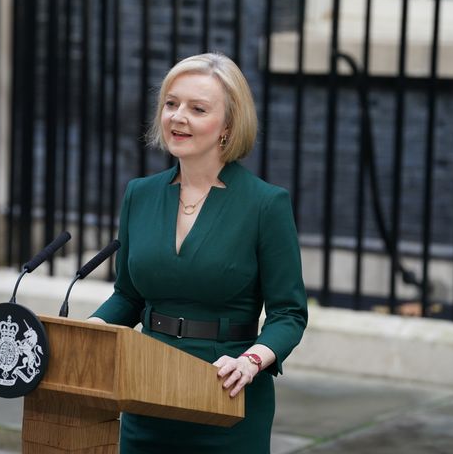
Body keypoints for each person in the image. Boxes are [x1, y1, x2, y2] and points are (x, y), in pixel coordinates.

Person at [88, 52, 307, 453]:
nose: (177, 116)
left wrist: (252, 361)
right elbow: (129, 296)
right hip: (146, 391)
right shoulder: (140, 194)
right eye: (171, 104)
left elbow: (288, 314)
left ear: (227, 125)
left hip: (225, 393)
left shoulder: (265, 205)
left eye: (197, 108)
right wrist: (91, 331)